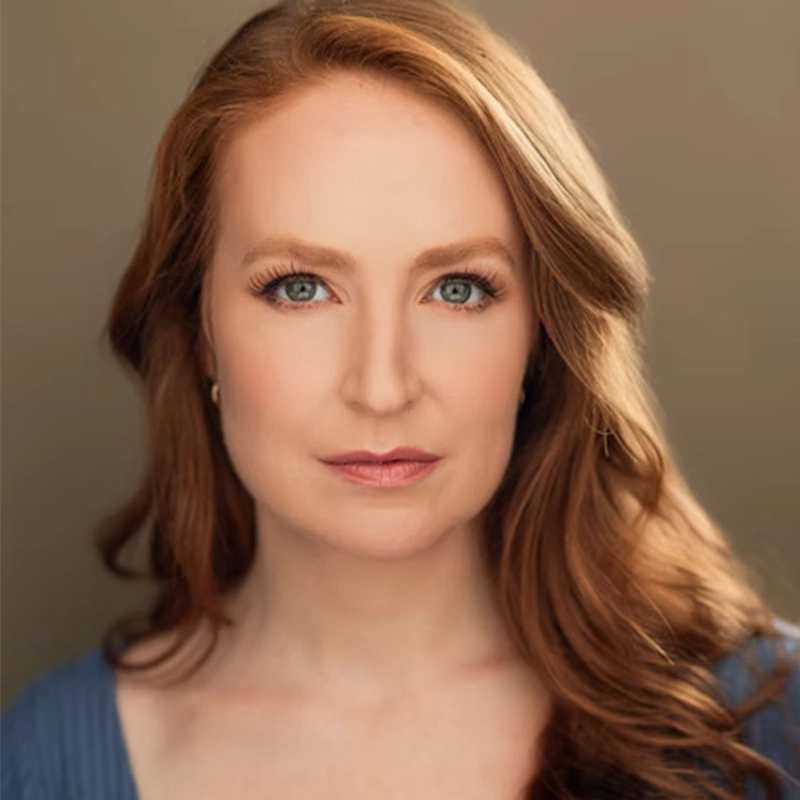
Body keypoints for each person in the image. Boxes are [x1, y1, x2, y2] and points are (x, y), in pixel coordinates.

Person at [2, 0, 799, 798]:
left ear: (540, 333)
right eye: (301, 287)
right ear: (202, 326)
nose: (382, 388)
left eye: (456, 289)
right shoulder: (43, 767)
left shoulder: (771, 726)